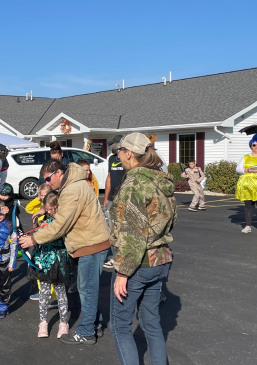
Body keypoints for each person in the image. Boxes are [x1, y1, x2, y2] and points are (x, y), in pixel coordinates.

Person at [19, 159, 111, 345]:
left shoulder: (72, 190)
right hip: (87, 243)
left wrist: (33, 239)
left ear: (58, 173)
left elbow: (61, 224)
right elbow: (63, 205)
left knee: (87, 290)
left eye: (47, 178)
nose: (46, 183)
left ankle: (86, 332)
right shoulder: (72, 184)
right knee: (86, 288)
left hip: (90, 245)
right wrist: (45, 207)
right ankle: (96, 324)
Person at [108, 132, 177, 365]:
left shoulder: (134, 182)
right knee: (151, 323)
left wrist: (122, 272)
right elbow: (170, 221)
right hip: (161, 259)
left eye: (120, 151)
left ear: (129, 153)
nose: (118, 156)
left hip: (138, 263)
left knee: (120, 325)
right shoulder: (161, 180)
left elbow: (132, 232)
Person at [29, 192, 75, 339]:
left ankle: (63, 323)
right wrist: (37, 226)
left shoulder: (62, 220)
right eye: (47, 209)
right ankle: (43, 322)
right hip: (45, 261)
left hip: (59, 261)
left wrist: (46, 227)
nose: (49, 211)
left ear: (58, 206)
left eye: (52, 208)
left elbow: (60, 235)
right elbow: (38, 238)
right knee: (44, 292)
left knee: (61, 292)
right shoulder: (45, 218)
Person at [102, 135, 125, 269]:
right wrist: (105, 198)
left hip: (124, 199)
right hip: (112, 199)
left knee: (122, 228)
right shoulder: (111, 159)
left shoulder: (127, 158)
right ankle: (113, 257)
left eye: (113, 143)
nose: (112, 146)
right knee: (111, 229)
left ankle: (122, 256)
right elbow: (109, 178)